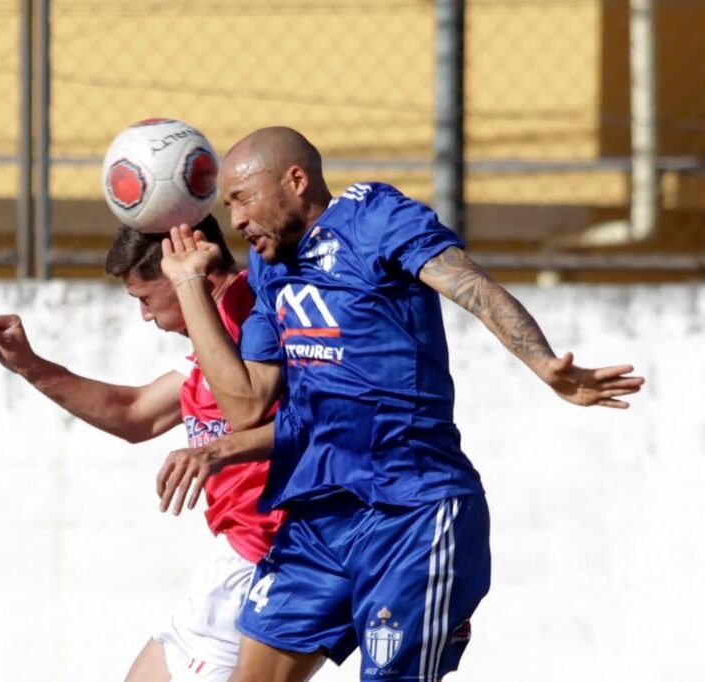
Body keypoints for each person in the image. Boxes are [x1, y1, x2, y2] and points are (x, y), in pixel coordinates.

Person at [156, 126, 645, 682]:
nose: (236, 220)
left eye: (242, 199)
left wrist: (543, 363)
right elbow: (245, 405)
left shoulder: (374, 216)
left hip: (412, 510)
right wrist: (190, 286)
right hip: (319, 515)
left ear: (295, 181)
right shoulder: (270, 267)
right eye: (228, 206)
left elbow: (471, 286)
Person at [0, 215, 288, 682]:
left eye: (143, 298)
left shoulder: (253, 315)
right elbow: (136, 413)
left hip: (262, 557)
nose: (144, 316)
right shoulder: (211, 340)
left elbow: (314, 423)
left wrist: (215, 453)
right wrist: (31, 366)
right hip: (232, 559)